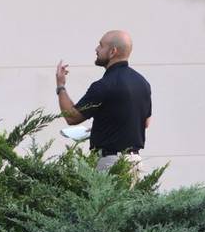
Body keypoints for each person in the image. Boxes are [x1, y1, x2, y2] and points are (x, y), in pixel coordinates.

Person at [55, 30, 152, 173]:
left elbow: (71, 117)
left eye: (101, 46)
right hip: (135, 163)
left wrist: (60, 86)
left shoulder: (103, 85)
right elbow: (145, 122)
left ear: (113, 51)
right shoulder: (143, 83)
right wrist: (104, 127)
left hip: (111, 163)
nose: (96, 49)